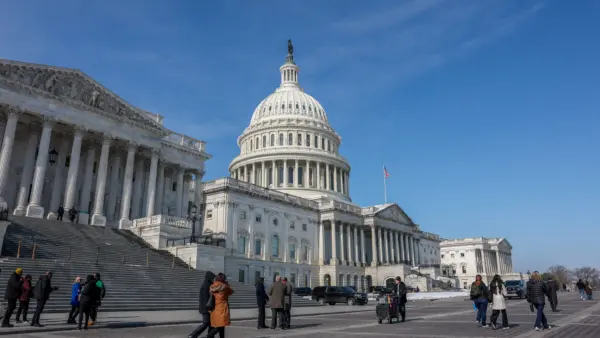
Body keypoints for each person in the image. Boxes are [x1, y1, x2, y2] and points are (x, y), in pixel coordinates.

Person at [206, 273, 234, 338]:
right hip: (222, 308)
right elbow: (231, 292)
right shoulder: (225, 286)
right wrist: (227, 284)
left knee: (219, 325)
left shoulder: (212, 285)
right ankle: (208, 336)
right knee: (221, 326)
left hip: (214, 309)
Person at [188, 271, 215, 338]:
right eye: (212, 278)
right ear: (209, 277)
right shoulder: (206, 285)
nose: (213, 279)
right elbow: (206, 298)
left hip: (208, 307)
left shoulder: (209, 284)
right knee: (205, 323)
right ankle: (192, 335)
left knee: (211, 324)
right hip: (206, 308)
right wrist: (209, 308)